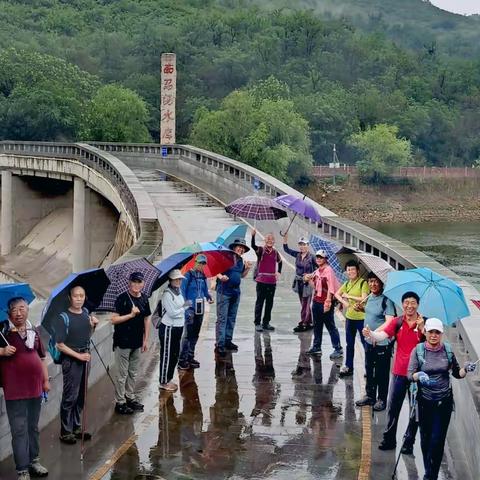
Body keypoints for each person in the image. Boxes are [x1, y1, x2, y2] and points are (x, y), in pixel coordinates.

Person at [408, 317, 476, 480]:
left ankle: (430, 476)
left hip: (443, 402)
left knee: (437, 440)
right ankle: (428, 470)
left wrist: (466, 369)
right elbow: (409, 375)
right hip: (424, 402)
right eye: (430, 331)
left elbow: (456, 373)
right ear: (425, 332)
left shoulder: (447, 349)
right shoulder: (418, 351)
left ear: (441, 334)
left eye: (437, 332)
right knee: (425, 439)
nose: (433, 335)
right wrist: (419, 375)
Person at [364, 291, 424, 453]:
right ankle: (389, 439)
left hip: (418, 375)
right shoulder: (398, 322)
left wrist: (422, 329)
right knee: (392, 408)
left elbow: (431, 344)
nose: (409, 305)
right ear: (402, 304)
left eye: (413, 302)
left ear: (418, 304)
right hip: (399, 372)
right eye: (406, 302)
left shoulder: (424, 323)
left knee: (415, 410)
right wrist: (371, 334)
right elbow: (382, 335)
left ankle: (408, 442)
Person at [0, 297, 49, 480]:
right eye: (14, 310)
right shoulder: (2, 331)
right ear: (9, 313)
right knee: (18, 429)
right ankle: (22, 469)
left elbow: (42, 358)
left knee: (33, 427)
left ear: (28, 310)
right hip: (15, 390)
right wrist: (2, 351)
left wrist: (45, 381)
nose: (19, 313)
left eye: (22, 308)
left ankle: (34, 461)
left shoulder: (33, 330)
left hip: (35, 388)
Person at [55, 285, 98, 445]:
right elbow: (60, 344)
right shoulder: (63, 317)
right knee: (70, 396)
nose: (79, 299)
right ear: (70, 298)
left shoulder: (86, 313)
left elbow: (87, 337)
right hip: (72, 360)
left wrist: (93, 326)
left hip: (85, 357)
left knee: (81, 395)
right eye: (76, 296)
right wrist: (78, 356)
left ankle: (77, 427)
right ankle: (65, 431)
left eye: (82, 295)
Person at [111, 272, 151, 415]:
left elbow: (147, 319)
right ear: (129, 283)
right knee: (122, 374)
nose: (136, 285)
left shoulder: (145, 299)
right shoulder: (122, 298)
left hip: (137, 341)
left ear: (143, 284)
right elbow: (113, 319)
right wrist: (130, 315)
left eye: (139, 282)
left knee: (133, 372)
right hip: (122, 341)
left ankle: (130, 397)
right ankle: (120, 402)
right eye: (134, 282)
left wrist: (145, 340)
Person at [355, 272, 395, 411]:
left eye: (376, 281)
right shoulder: (370, 297)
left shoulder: (387, 300)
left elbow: (390, 322)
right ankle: (370, 396)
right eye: (370, 281)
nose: (373, 284)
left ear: (381, 283)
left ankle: (381, 399)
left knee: (381, 372)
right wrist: (361, 308)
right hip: (368, 341)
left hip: (381, 343)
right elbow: (371, 313)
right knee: (369, 369)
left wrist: (374, 334)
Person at [304, 249, 343, 360]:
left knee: (330, 325)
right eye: (317, 257)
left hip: (325, 303)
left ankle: (338, 348)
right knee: (317, 325)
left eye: (321, 257)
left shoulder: (328, 270)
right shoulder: (317, 271)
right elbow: (315, 287)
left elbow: (331, 287)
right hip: (316, 301)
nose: (318, 259)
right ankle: (317, 347)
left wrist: (328, 301)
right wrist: (308, 279)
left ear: (325, 259)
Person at [215, 238, 252, 356]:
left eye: (243, 248)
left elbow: (241, 275)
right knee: (222, 319)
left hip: (236, 292)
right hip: (224, 292)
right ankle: (220, 344)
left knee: (232, 318)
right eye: (239, 247)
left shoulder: (241, 260)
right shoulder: (225, 257)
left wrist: (247, 268)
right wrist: (220, 277)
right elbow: (216, 269)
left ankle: (227, 341)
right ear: (234, 247)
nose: (241, 249)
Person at [334, 260, 369, 377]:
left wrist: (348, 296)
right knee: (350, 344)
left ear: (358, 271)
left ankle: (368, 368)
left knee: (365, 344)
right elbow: (337, 294)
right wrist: (345, 302)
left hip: (362, 318)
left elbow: (364, 298)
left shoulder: (363, 283)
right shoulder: (347, 283)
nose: (350, 272)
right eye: (348, 270)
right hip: (350, 318)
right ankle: (349, 367)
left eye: (352, 269)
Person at [178, 255, 214, 370]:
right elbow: (182, 292)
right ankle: (182, 359)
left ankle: (190, 356)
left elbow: (204, 290)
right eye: (200, 263)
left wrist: (208, 297)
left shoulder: (203, 277)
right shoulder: (188, 275)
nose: (201, 265)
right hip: (190, 309)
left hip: (200, 308)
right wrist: (187, 308)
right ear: (195, 262)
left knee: (195, 334)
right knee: (187, 334)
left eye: (204, 264)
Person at [158, 269, 190, 392]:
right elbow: (172, 313)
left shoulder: (179, 291)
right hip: (168, 328)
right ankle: (163, 381)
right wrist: (185, 308)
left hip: (178, 327)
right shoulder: (167, 294)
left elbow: (181, 307)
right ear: (171, 280)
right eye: (176, 279)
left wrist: (183, 307)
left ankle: (169, 378)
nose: (178, 281)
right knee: (167, 355)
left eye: (180, 279)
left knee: (175, 354)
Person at [282, 234, 316, 333]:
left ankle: (303, 323)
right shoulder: (297, 255)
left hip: (307, 283)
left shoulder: (312, 257)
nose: (302, 246)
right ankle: (309, 322)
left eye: (304, 244)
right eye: (300, 244)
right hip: (299, 282)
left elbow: (320, 268)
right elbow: (287, 250)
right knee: (303, 303)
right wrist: (285, 240)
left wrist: (311, 275)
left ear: (307, 245)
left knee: (306, 303)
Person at [251, 229, 283, 332]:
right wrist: (253, 236)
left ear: (274, 241)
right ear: (265, 240)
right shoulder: (261, 250)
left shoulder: (275, 252)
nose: (270, 240)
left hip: (272, 282)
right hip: (261, 281)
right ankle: (257, 323)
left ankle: (266, 323)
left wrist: (279, 272)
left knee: (269, 303)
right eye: (268, 239)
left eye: (272, 239)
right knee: (260, 302)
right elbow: (253, 246)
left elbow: (280, 262)